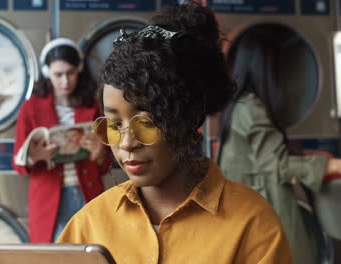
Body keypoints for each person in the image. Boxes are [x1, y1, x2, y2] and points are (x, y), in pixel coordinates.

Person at [57, 3, 293, 263]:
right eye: (114, 125)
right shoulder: (89, 224)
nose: (126, 143)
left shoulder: (251, 221)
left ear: (189, 117)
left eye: (145, 123)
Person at [217, 27, 341, 264]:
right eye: (275, 66)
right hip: (264, 208)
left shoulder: (238, 105)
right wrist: (332, 165)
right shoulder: (252, 108)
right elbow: (277, 165)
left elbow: (263, 155)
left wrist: (310, 154)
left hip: (244, 209)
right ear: (263, 66)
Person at [12, 37, 110, 242]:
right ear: (47, 72)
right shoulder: (31, 108)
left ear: (79, 70)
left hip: (88, 191)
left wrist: (100, 152)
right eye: (58, 75)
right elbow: (17, 163)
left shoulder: (92, 105)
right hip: (48, 198)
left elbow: (104, 165)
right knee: (53, 256)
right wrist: (33, 157)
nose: (65, 81)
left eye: (70, 73)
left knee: (90, 252)